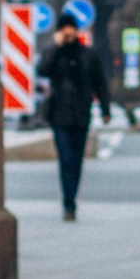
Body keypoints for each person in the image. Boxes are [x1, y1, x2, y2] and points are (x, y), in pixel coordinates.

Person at [37, 24, 114, 222]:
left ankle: (71, 200)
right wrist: (57, 46)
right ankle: (68, 203)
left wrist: (106, 110)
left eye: (71, 30)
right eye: (65, 31)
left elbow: (100, 83)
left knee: (77, 161)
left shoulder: (87, 54)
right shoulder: (55, 53)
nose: (69, 34)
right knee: (66, 159)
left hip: (81, 114)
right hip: (59, 116)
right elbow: (42, 69)